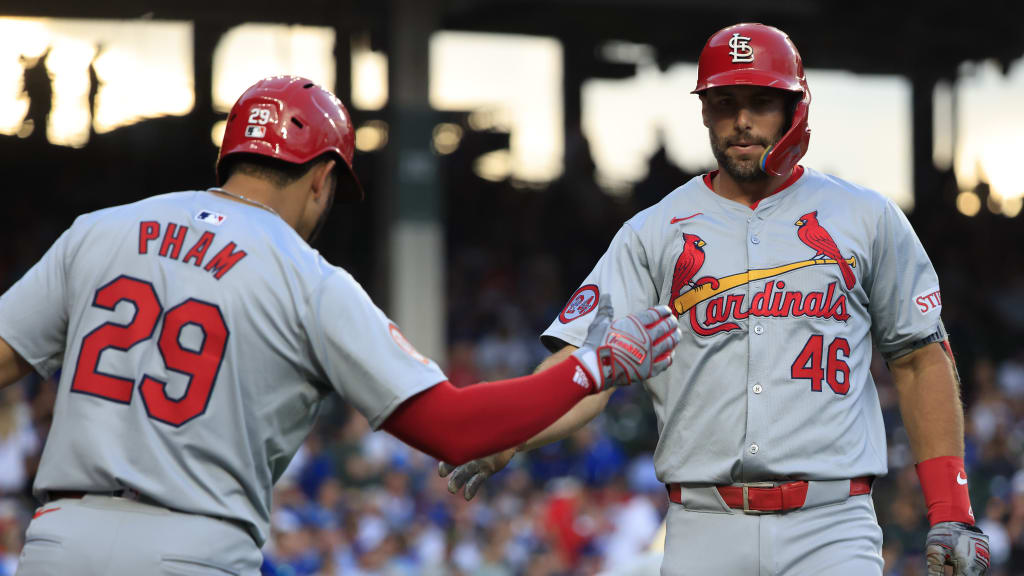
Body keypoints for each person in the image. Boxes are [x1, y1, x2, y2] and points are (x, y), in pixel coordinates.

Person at [0, 75, 682, 575]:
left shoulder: (98, 233)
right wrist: (595, 368)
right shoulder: (309, 278)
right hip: (194, 548)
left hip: (63, 538)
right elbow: (451, 426)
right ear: (322, 177)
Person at [440, 23, 991, 575]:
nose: (742, 121)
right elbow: (589, 367)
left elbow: (921, 359)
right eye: (725, 103)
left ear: (794, 108)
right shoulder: (652, 231)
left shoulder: (866, 217)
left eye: (760, 102)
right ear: (704, 112)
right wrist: (507, 427)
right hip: (702, 525)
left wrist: (952, 510)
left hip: (831, 524)